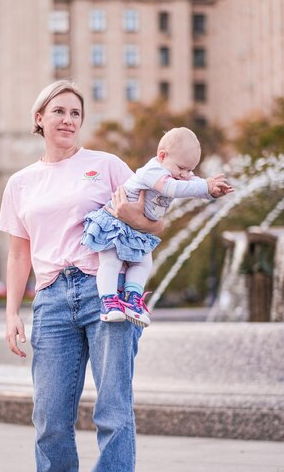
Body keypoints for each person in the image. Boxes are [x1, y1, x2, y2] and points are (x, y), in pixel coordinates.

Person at [0, 80, 164, 472]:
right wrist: (12, 313)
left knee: (113, 406)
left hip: (104, 290)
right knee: (49, 410)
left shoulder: (105, 165)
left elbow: (155, 220)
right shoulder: (21, 183)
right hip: (50, 297)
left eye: (75, 112)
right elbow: (18, 253)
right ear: (39, 119)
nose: (68, 119)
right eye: (59, 111)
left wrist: (126, 213)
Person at [81, 127, 234, 326]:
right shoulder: (153, 171)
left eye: (190, 170)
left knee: (144, 263)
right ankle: (108, 302)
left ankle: (132, 299)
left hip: (138, 228)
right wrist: (205, 185)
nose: (186, 175)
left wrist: (210, 191)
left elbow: (191, 182)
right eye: (182, 168)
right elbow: (173, 188)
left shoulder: (177, 173)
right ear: (162, 156)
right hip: (115, 222)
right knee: (111, 261)